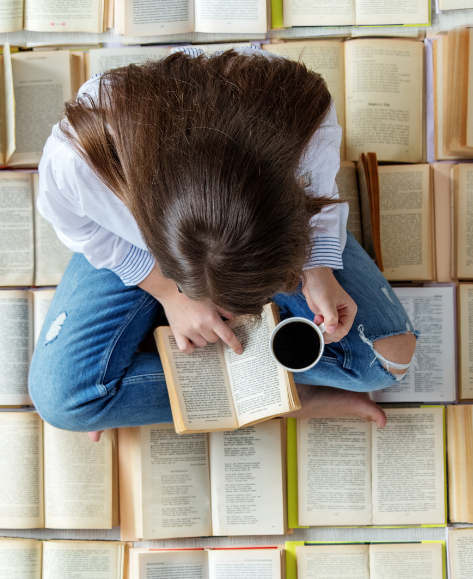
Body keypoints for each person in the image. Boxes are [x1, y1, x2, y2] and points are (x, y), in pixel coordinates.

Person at [29, 47, 417, 442]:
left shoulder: (300, 115)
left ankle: (269, 392)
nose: (230, 312)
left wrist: (317, 266)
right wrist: (169, 293)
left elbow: (317, 193)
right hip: (137, 254)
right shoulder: (77, 159)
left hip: (256, 228)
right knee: (65, 401)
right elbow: (80, 228)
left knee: (385, 361)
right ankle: (283, 393)